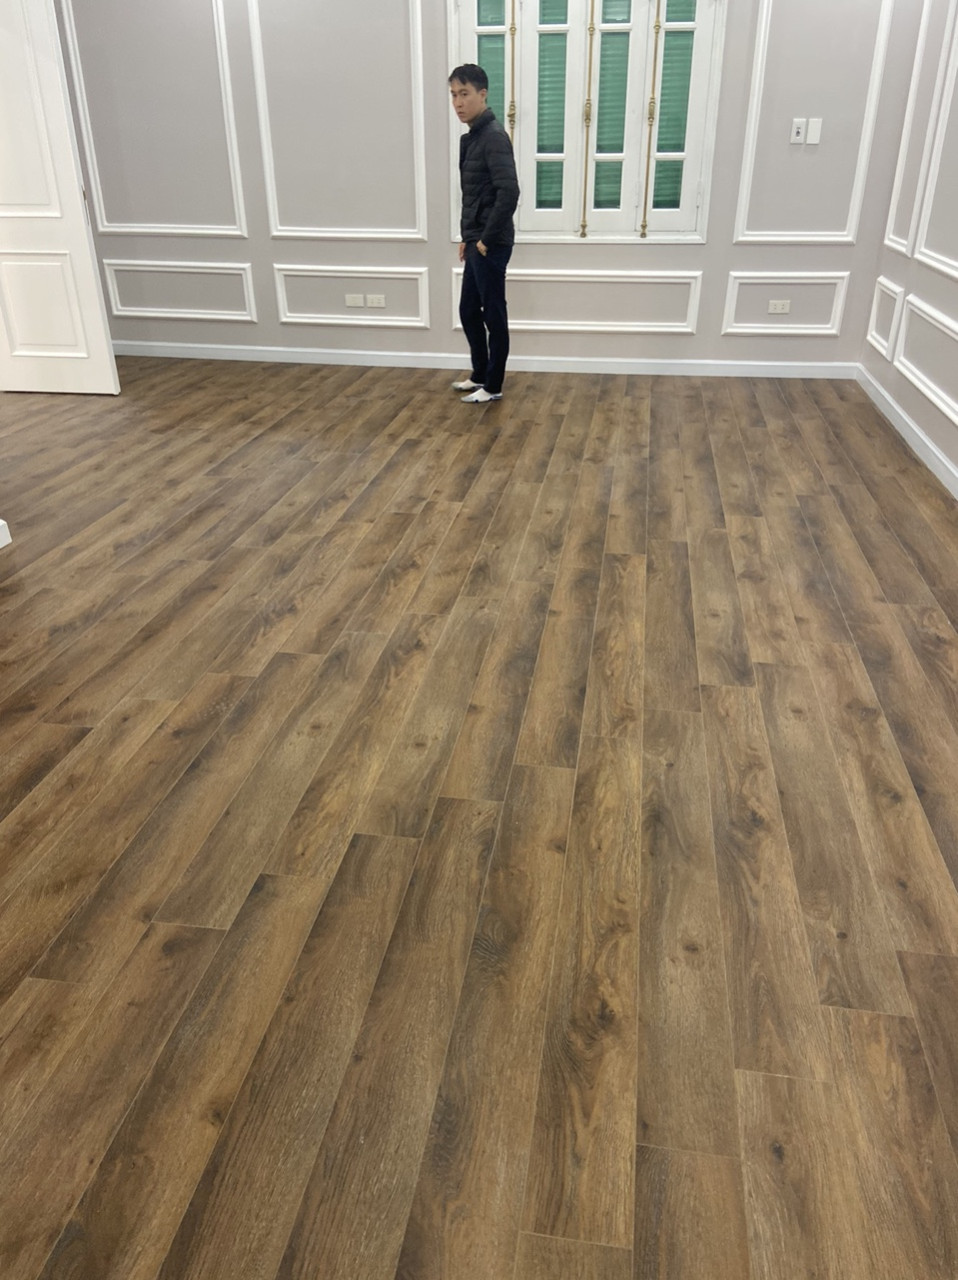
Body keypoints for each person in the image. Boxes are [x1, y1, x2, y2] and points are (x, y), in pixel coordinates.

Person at [449, 64, 520, 404]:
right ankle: (480, 374)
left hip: (492, 243)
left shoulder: (492, 136)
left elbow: (509, 192)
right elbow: (475, 194)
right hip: (477, 239)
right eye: (453, 95)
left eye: (464, 94)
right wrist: (468, 237)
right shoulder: (473, 137)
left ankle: (493, 385)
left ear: (482, 94)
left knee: (493, 314)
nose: (458, 102)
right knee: (468, 310)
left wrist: (484, 240)